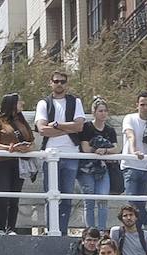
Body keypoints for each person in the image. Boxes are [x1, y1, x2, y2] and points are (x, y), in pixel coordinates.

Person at [36, 70, 86, 231]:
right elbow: (42, 129)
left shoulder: (75, 102)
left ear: (66, 83)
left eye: (62, 81)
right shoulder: (44, 103)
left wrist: (57, 125)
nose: (59, 84)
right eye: (56, 81)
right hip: (50, 154)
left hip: (71, 154)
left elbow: (79, 126)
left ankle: (62, 231)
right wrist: (68, 128)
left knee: (66, 197)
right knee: (50, 196)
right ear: (50, 82)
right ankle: (51, 230)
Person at [0, 92, 34, 235]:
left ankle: (11, 228)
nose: (23, 104)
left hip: (19, 162)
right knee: (4, 194)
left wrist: (27, 147)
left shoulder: (22, 121)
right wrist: (8, 148)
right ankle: (1, 228)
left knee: (15, 196)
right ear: (12, 104)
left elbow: (32, 140)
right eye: (20, 101)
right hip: (2, 163)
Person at [122, 91, 147, 229]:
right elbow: (130, 135)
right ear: (137, 105)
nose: (145, 107)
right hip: (130, 166)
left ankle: (138, 230)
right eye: (142, 104)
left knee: (140, 204)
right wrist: (134, 151)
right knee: (133, 202)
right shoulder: (130, 118)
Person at [78, 96, 118, 231]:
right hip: (86, 169)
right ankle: (90, 231)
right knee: (89, 201)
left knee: (102, 199)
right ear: (94, 112)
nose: (103, 113)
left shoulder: (110, 130)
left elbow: (116, 148)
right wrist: (96, 150)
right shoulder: (87, 127)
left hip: (103, 169)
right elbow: (85, 148)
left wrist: (105, 150)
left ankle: (101, 230)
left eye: (105, 111)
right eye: (100, 111)